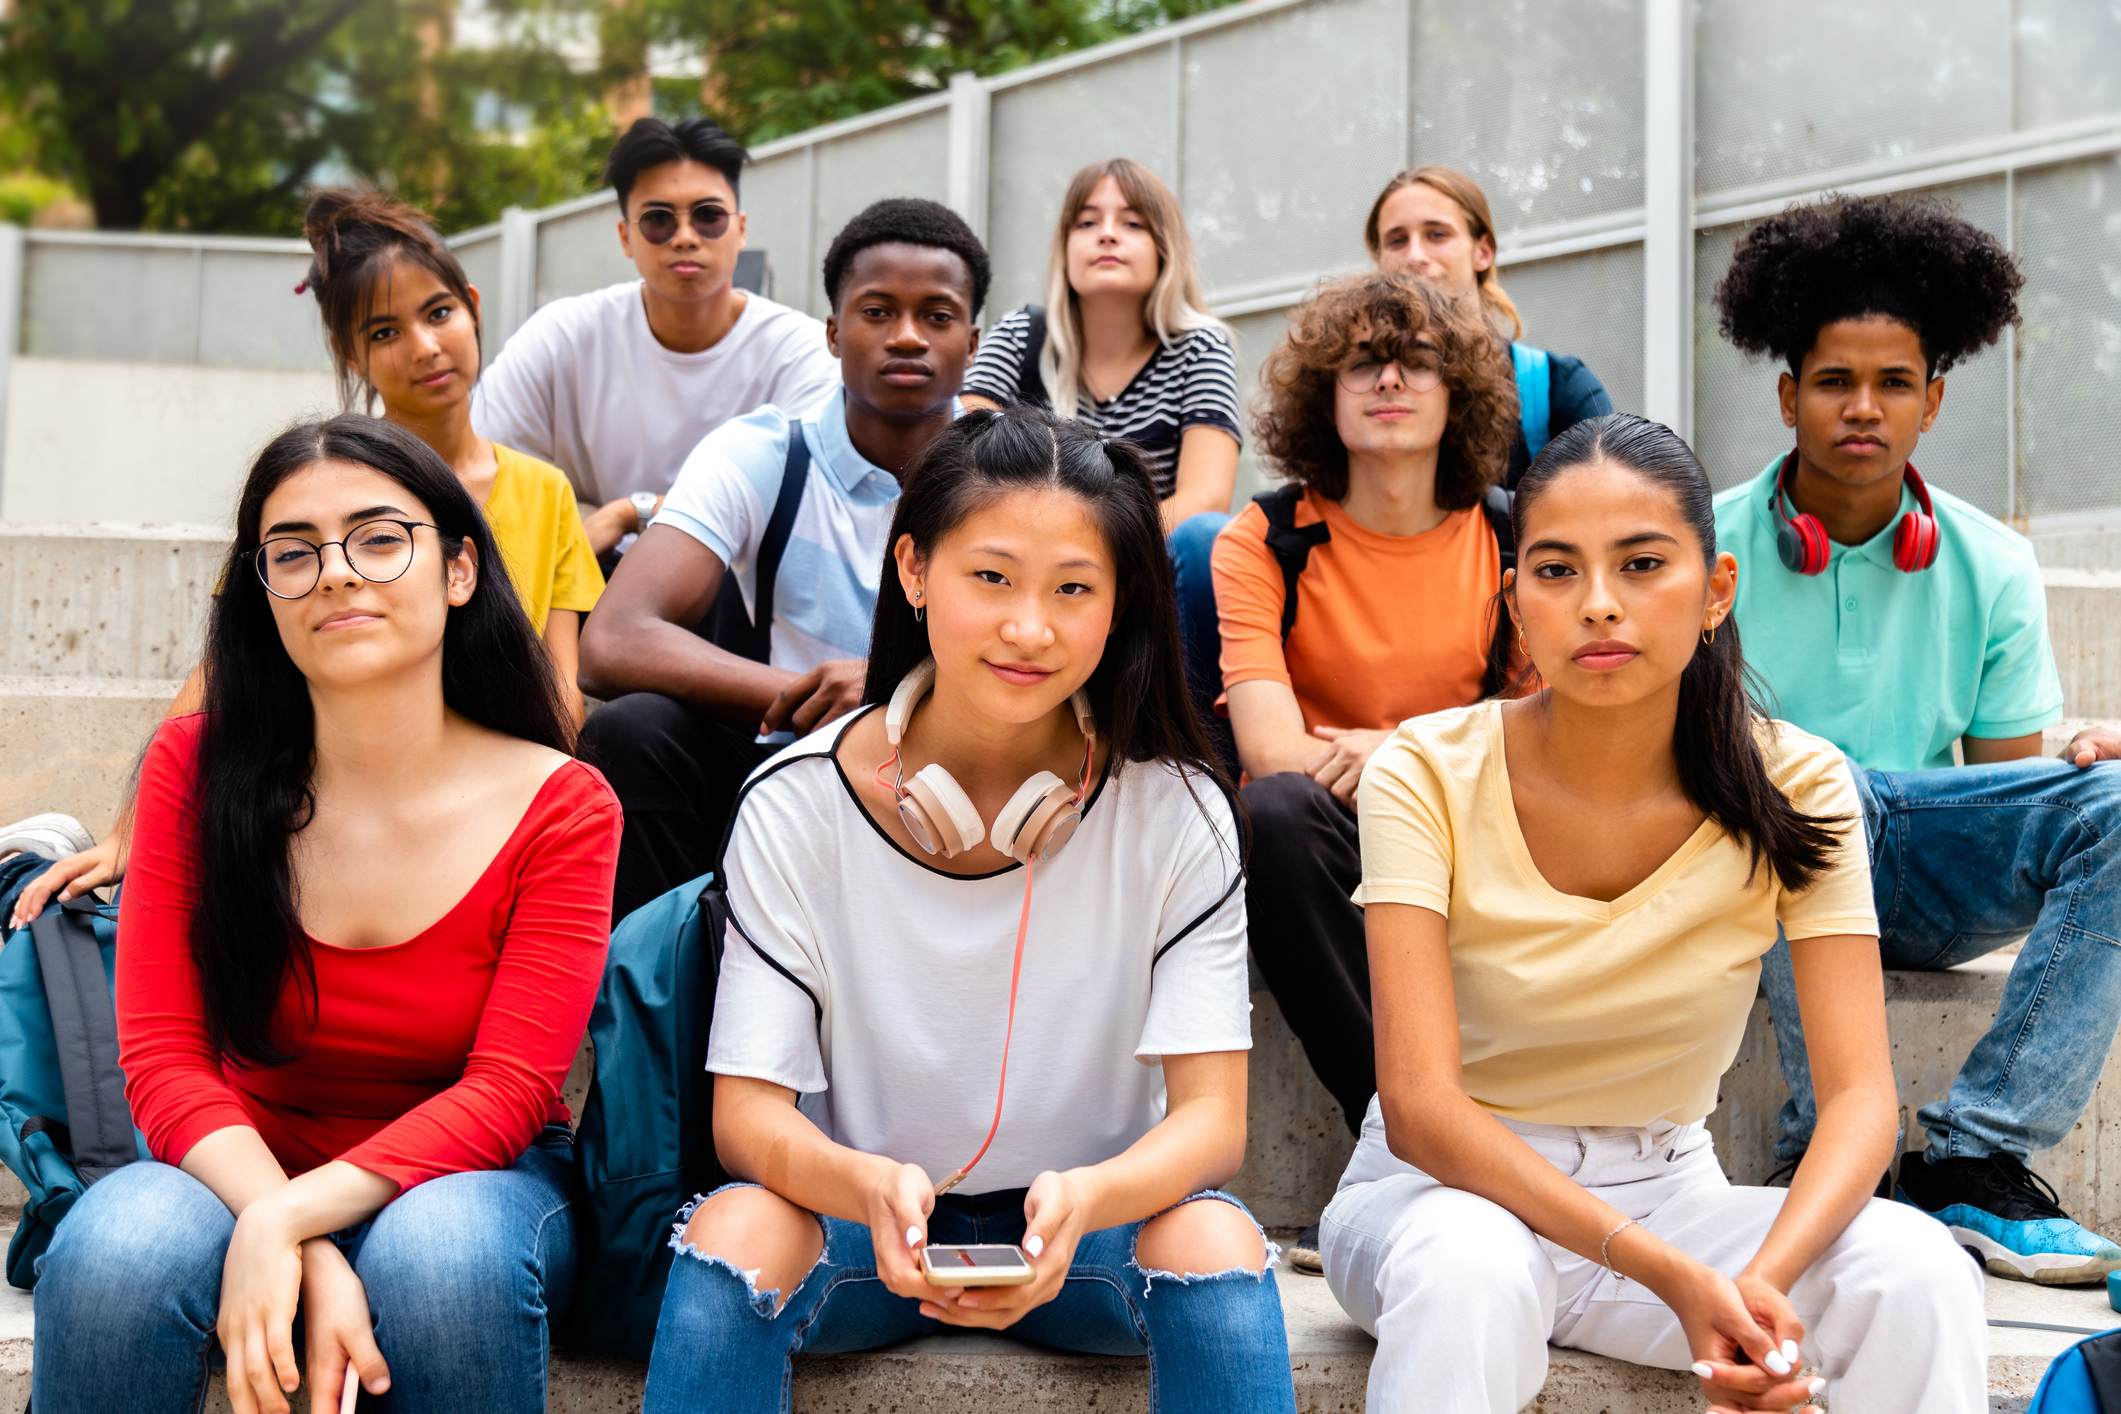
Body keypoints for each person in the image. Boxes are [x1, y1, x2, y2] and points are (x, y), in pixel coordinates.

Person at [1323, 412, 1985, 1414]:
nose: (1598, 605)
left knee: (1916, 1268)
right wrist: (1673, 1277)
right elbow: (1422, 1109)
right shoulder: (1426, 769)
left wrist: (1757, 1285)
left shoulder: (1799, 782)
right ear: (1515, 603)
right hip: (1444, 1199)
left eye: (1641, 565)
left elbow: (1860, 1101)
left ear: (1715, 589)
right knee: (1472, 1273)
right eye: (1556, 572)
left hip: (1671, 1185)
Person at [638, 405, 1294, 1414]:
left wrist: (1088, 1198)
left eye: (1074, 588)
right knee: (735, 1233)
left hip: (1088, 1231)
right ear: (913, 570)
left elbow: (1211, 1122)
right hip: (859, 1223)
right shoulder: (797, 800)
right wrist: (862, 1186)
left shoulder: (1179, 810)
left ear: (1120, 604)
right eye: (991, 578)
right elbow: (749, 1118)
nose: (1030, 628)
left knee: (1214, 1237)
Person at [30, 415, 622, 1414]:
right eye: (292, 554)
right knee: (114, 1250)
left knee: (441, 1265)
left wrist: (289, 1222)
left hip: (475, 1178)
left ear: (460, 569)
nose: (337, 573)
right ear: (263, 598)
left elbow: (513, 1089)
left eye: (380, 538)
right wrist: (286, 1226)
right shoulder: (195, 767)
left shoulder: (562, 803)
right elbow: (165, 1062)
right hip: (236, 1156)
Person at [1711, 192, 2121, 1284]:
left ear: (1933, 401)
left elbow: (2004, 794)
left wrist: (2073, 768)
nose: (1864, 407)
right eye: (1835, 381)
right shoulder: (1697, 545)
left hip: (1921, 867)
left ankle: (1976, 1161)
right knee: (1808, 772)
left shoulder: (1991, 561)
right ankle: (1830, 1153)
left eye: (1894, 383)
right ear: (1790, 394)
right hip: (1756, 864)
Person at [7, 187, 608, 929]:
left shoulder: (544, 491)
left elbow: (559, 688)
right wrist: (131, 831)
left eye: (439, 313)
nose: (423, 346)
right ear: (348, 352)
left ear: (474, 306)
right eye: (385, 331)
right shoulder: (320, 486)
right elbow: (228, 662)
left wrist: (536, 815)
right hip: (325, 780)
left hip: (474, 785)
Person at [577, 198, 985, 920]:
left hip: (968, 761)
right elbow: (612, 641)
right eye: (877, 311)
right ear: (832, 333)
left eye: (938, 316)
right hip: (788, 762)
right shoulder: (763, 452)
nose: (908, 337)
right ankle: (667, 1001)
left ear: (973, 341)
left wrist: (896, 694)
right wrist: (823, 694)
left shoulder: (1014, 474)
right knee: (633, 730)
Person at [1214, 271, 1516, 1146]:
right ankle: (1402, 1133)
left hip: (1474, 832)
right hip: (1329, 843)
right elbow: (1272, 752)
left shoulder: (1514, 536)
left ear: (1456, 393)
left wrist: (1399, 751)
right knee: (1270, 812)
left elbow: (1548, 745)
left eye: (1417, 361)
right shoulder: (1263, 539)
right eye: (1361, 365)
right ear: (1324, 394)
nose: (1388, 381)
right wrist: (1421, 759)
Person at [958, 158, 1241, 736]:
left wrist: (1098, 559)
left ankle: (1200, 757)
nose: (1108, 234)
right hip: (1024, 565)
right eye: (1087, 222)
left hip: (1148, 572)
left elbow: (1206, 495)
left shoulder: (1200, 346)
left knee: (1207, 538)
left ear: (1166, 248)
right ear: (1065, 248)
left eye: (1132, 223)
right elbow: (964, 463)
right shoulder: (1019, 334)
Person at [473, 117, 841, 556]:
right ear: (626, 236)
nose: (685, 237)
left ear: (741, 229)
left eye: (708, 216)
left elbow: (803, 517)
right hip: (586, 580)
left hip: (745, 599)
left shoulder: (803, 352)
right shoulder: (559, 337)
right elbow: (486, 480)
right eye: (658, 220)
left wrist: (627, 513)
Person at [1366, 166, 1613, 486]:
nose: (1415, 255)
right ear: (1379, 261)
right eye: (1397, 240)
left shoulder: (1559, 389)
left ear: (1482, 252)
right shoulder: (1355, 393)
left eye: (1437, 234)